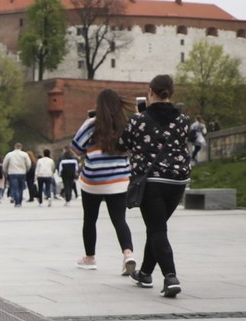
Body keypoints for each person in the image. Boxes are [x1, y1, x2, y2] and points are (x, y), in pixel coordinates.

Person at [122, 74, 193, 298]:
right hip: (178, 181)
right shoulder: (184, 120)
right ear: (171, 93)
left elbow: (122, 143)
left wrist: (137, 118)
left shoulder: (139, 120)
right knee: (157, 227)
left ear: (150, 92)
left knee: (157, 229)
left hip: (151, 181)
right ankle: (144, 273)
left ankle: (170, 276)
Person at [70, 88, 136, 274]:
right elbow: (133, 148)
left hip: (93, 181)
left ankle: (90, 258)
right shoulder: (126, 125)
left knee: (90, 219)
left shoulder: (92, 124)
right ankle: (128, 254)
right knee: (119, 219)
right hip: (119, 180)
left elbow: (75, 149)